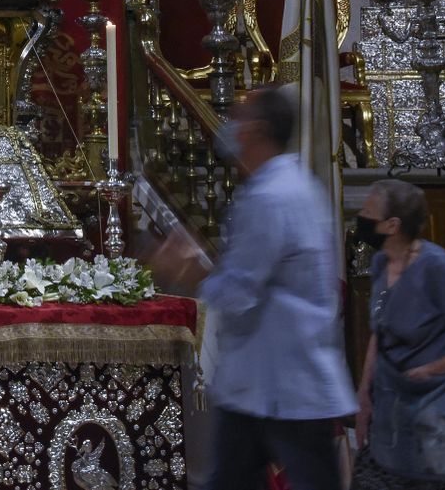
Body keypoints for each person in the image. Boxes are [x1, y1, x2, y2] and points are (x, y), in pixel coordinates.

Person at [148, 86, 355, 490]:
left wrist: (187, 271)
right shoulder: (297, 185)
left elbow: (240, 290)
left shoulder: (270, 197)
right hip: (271, 377)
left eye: (237, 117)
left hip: (281, 380)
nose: (229, 126)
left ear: (256, 130)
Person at [351, 179, 445, 490]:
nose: (361, 216)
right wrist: (364, 393)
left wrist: (431, 369)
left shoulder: (435, 265)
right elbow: (380, 332)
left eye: (367, 211)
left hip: (441, 409)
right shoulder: (379, 264)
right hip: (394, 404)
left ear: (392, 225)